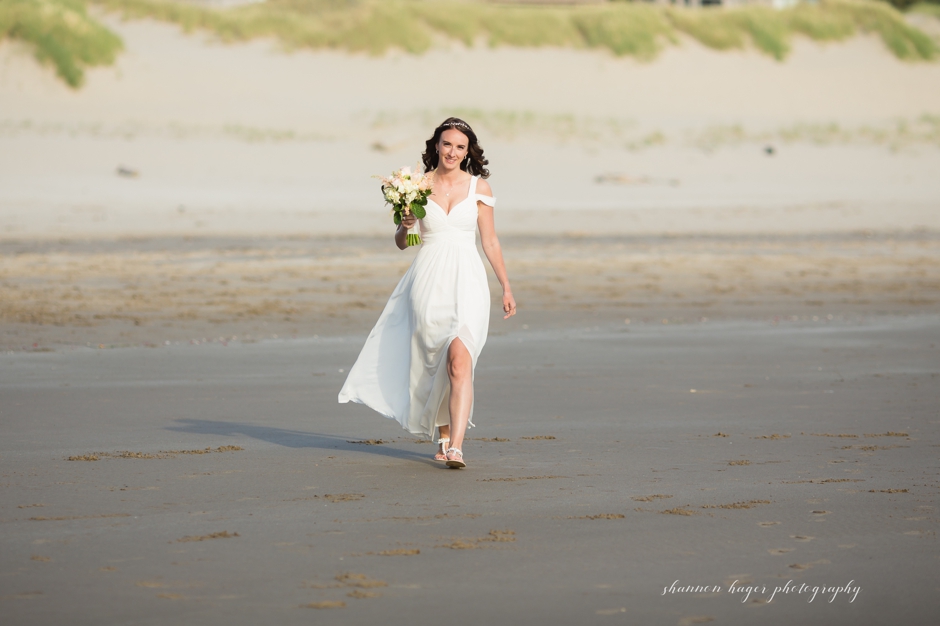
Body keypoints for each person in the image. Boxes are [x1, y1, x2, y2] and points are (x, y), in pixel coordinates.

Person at [338, 117, 516, 469]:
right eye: (447, 144)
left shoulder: (480, 188)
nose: (452, 151)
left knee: (460, 359)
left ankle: (456, 448)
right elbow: (407, 244)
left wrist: (506, 286)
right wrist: (405, 226)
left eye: (460, 147)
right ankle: (444, 430)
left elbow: (490, 241)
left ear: (468, 152)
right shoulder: (416, 186)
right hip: (428, 280)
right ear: (437, 145)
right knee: (433, 360)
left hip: (468, 280)